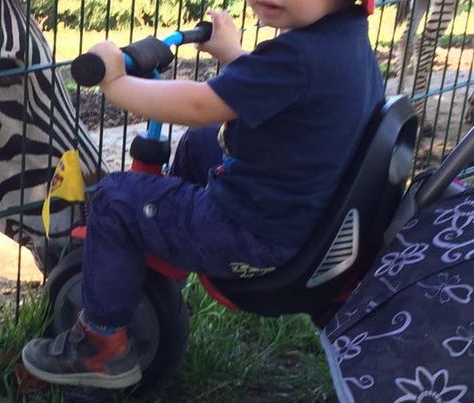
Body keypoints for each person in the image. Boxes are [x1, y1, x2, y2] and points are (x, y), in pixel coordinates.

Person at [21, 0, 385, 389]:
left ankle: (100, 347)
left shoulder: (297, 57)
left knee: (114, 199)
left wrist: (116, 83)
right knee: (201, 143)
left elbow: (198, 105)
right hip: (298, 214)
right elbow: (279, 89)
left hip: (254, 237)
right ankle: (165, 242)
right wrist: (232, 54)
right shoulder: (343, 41)